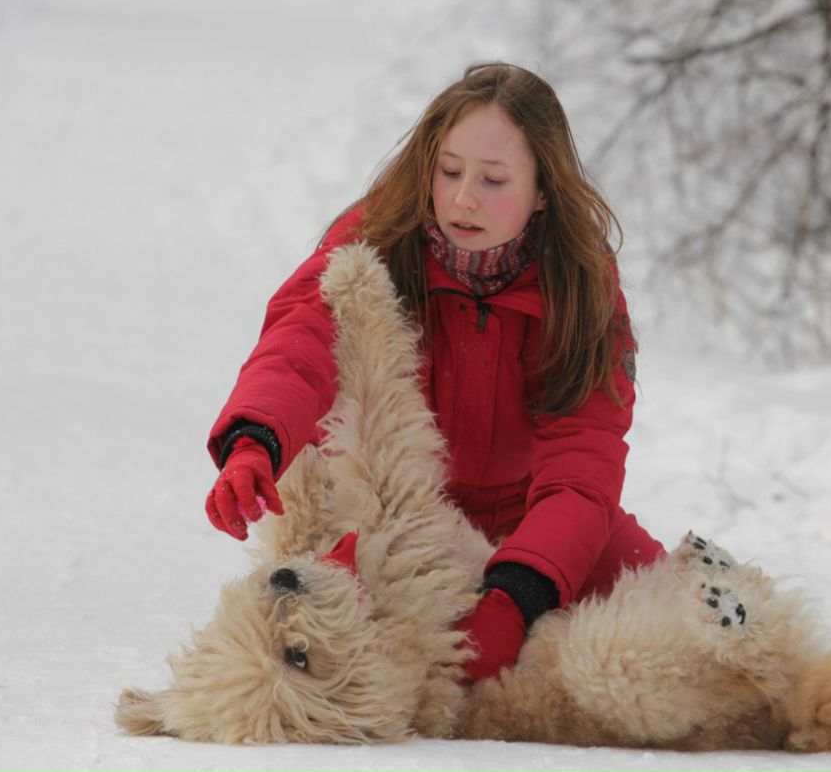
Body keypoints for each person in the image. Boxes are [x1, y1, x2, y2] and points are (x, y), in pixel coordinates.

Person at [204, 62, 665, 683]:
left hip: (521, 521)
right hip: (380, 512)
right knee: (333, 638)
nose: (462, 198)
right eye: (448, 172)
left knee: (664, 599)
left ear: (544, 190)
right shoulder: (374, 241)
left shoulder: (582, 286)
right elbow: (299, 343)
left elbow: (582, 464)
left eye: (494, 180)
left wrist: (518, 592)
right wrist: (254, 441)